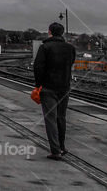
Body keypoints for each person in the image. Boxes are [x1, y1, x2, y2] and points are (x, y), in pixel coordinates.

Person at [33, 22, 76, 160]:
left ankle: (55, 151)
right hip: (64, 88)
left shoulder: (45, 47)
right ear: (62, 33)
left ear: (50, 32)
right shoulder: (70, 48)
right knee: (61, 117)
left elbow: (38, 67)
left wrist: (38, 85)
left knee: (50, 119)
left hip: (48, 87)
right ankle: (62, 147)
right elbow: (71, 64)